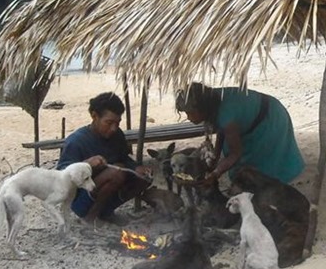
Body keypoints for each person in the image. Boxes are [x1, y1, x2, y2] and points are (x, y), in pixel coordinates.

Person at [175, 83, 305, 184]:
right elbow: (222, 130)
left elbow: (235, 153)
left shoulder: (226, 115)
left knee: (266, 165)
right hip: (250, 116)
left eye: (191, 113)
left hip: (271, 117)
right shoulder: (211, 101)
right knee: (242, 164)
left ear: (202, 108)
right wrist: (216, 155)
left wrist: (216, 173)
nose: (189, 118)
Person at [57, 92, 152, 226]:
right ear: (94, 116)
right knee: (116, 174)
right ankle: (89, 218)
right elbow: (61, 175)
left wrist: (136, 168)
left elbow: (123, 158)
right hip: (81, 199)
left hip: (105, 192)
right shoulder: (76, 141)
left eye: (117, 123)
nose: (114, 128)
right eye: (109, 122)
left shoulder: (117, 135)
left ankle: (106, 212)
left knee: (144, 178)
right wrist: (87, 165)